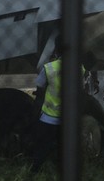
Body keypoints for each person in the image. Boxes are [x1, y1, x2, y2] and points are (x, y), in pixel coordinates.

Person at [30, 39, 82, 174]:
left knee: (42, 147)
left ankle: (35, 171)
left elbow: (40, 88)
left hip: (48, 117)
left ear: (56, 50)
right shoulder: (78, 68)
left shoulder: (49, 68)